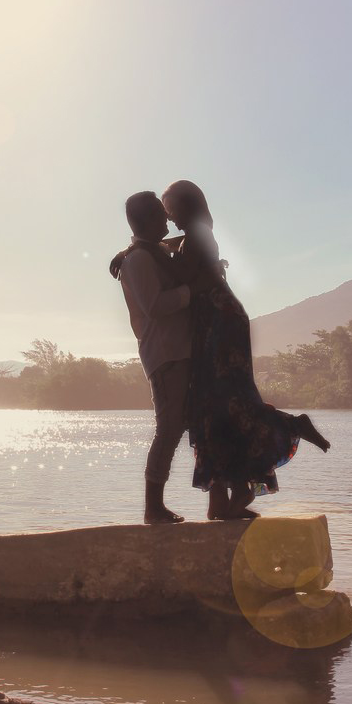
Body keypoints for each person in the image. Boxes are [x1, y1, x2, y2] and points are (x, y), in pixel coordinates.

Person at [161, 179, 330, 521]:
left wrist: (143, 252)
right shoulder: (194, 235)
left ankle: (283, 435)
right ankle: (220, 501)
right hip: (212, 323)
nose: (170, 218)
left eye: (172, 210)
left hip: (222, 323)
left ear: (187, 206)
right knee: (212, 408)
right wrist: (146, 248)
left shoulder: (199, 235)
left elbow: (188, 272)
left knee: (228, 406)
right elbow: (179, 249)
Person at [112, 190, 193, 525]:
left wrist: (193, 240)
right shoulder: (139, 260)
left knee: (179, 426)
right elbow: (154, 306)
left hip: (176, 351)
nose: (167, 219)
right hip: (164, 353)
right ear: (146, 220)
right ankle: (152, 508)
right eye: (161, 214)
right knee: (169, 429)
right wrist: (193, 291)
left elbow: (171, 245)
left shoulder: (149, 252)